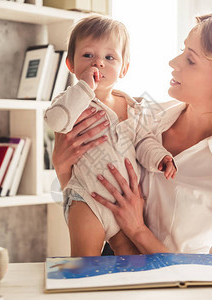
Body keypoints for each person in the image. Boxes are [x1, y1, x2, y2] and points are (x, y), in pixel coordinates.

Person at [52, 11, 212, 255]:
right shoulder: (142, 115)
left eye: (190, 59)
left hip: (175, 289)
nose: (173, 62)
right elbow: (92, 186)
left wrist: (137, 230)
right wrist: (62, 171)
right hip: (113, 265)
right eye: (182, 51)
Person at [44, 15, 177, 256]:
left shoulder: (132, 106)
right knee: (86, 264)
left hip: (124, 204)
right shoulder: (71, 101)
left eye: (109, 57)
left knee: (130, 264)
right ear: (70, 65)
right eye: (88, 55)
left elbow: (144, 141)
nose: (98, 63)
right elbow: (55, 121)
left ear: (124, 68)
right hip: (87, 198)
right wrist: (84, 88)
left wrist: (160, 158)